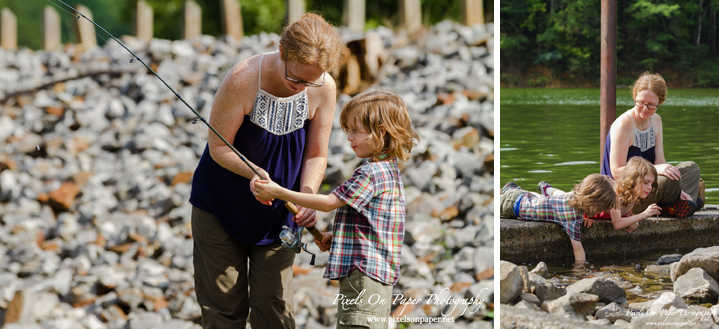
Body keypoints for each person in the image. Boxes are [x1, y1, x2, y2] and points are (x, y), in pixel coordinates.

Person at [189, 14, 342, 328]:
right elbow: (218, 148)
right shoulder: (242, 79)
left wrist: (306, 198)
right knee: (224, 313)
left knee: (274, 310)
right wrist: (254, 173)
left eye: (311, 81)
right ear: (282, 52)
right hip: (219, 206)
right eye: (296, 78)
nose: (303, 87)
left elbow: (316, 154)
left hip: (280, 212)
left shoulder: (324, 87)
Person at [251, 90, 419, 329]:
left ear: (380, 132)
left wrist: (279, 192)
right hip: (377, 279)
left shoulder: (370, 173)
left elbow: (330, 202)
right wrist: (338, 237)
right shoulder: (389, 170)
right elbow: (373, 224)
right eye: (347, 130)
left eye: (355, 130)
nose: (349, 138)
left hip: (362, 278)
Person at [601, 72, 703, 217]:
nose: (644, 109)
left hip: (649, 186)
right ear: (635, 95)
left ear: (660, 102)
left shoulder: (656, 121)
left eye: (651, 105)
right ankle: (683, 204)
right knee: (670, 181)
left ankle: (678, 204)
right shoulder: (623, 125)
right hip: (626, 195)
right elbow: (616, 172)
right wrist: (659, 172)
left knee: (690, 169)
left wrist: (668, 174)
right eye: (641, 102)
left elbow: (660, 161)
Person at [500, 174, 617, 262]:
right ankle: (506, 192)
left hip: (522, 197)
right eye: (599, 209)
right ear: (592, 205)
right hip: (511, 206)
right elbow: (578, 250)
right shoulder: (572, 217)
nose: (600, 212)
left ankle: (510, 189)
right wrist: (580, 272)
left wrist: (582, 218)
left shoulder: (572, 196)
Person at [541, 158, 665, 235]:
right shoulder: (616, 197)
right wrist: (644, 215)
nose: (650, 187)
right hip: (580, 205)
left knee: (564, 195)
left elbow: (626, 214)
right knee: (565, 197)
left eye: (652, 184)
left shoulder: (633, 197)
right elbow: (617, 223)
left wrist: (635, 220)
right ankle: (546, 190)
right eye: (646, 182)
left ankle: (548, 189)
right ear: (633, 180)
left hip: (588, 213)